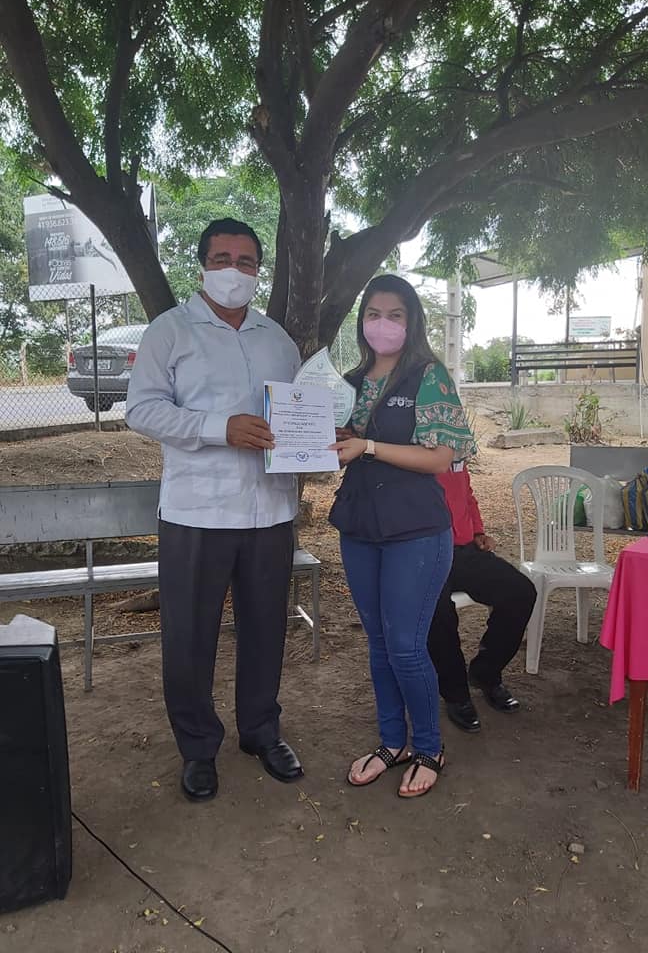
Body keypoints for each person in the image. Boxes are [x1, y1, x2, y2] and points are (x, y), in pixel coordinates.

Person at [126, 217, 304, 802]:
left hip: (269, 511)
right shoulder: (170, 332)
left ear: (258, 271)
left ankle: (261, 731)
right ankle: (198, 747)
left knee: (266, 628)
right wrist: (216, 427)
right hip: (196, 512)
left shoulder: (278, 340)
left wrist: (316, 439)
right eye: (222, 259)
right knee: (189, 637)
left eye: (246, 261)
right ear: (202, 265)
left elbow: (296, 413)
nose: (234, 271)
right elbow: (141, 410)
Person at [329, 274, 475, 798]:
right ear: (361, 321)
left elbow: (441, 457)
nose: (383, 324)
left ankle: (429, 747)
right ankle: (392, 742)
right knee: (378, 644)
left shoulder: (428, 376)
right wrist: (330, 440)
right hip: (359, 527)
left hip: (415, 530)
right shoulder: (348, 382)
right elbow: (340, 445)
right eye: (373, 314)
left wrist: (368, 447)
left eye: (395, 315)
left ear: (412, 322)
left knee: (407, 647)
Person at [427, 462, 537, 732]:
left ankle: (486, 673)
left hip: (464, 550)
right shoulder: (408, 445)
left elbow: (466, 494)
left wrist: (477, 531)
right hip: (424, 550)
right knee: (438, 612)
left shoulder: (455, 444)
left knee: (520, 591)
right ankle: (455, 692)